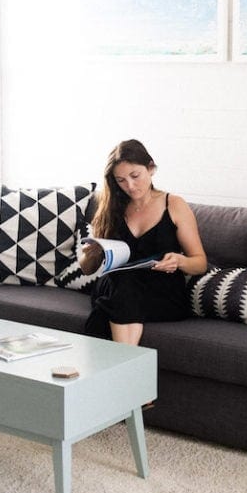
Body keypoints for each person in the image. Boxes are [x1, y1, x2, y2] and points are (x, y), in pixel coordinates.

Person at [81, 139, 207, 344]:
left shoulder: (174, 205)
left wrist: (179, 261)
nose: (129, 186)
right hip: (117, 284)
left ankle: (111, 369)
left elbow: (200, 262)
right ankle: (127, 369)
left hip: (162, 291)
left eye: (135, 176)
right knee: (123, 285)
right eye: (121, 180)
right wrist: (91, 253)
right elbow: (87, 269)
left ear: (151, 168)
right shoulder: (111, 207)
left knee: (104, 311)